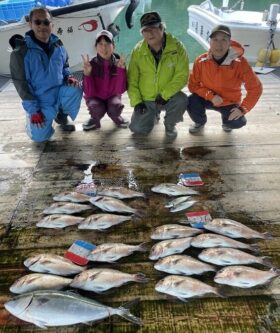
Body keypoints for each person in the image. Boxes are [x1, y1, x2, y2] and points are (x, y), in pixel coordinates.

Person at [10, 7, 82, 143]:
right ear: (30, 24)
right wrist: (34, 111)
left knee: (76, 87)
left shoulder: (58, 45)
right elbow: (22, 87)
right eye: (37, 22)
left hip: (59, 94)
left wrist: (68, 76)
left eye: (46, 22)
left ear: (52, 25)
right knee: (40, 138)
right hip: (40, 101)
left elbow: (65, 66)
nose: (42, 26)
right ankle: (31, 122)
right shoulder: (20, 53)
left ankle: (61, 115)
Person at [187, 24, 263, 134]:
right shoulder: (200, 61)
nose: (219, 44)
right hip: (207, 97)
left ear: (229, 43)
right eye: (215, 39)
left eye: (224, 39)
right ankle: (200, 122)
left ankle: (227, 123)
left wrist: (243, 109)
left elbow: (256, 88)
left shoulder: (241, 63)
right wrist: (210, 95)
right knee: (190, 101)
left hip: (229, 102)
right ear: (210, 42)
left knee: (238, 122)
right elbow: (193, 85)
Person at [127, 11, 189, 138]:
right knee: (137, 129)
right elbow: (132, 80)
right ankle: (153, 114)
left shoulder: (178, 48)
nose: (150, 33)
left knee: (182, 99)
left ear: (162, 28)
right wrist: (137, 101)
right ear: (142, 33)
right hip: (147, 99)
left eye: (154, 28)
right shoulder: (137, 51)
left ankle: (170, 124)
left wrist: (165, 94)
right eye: (146, 30)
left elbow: (182, 76)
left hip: (168, 96)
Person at [81, 30, 128, 131]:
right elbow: (89, 92)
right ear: (96, 47)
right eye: (100, 44)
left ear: (113, 46)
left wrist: (121, 70)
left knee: (116, 106)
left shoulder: (118, 63)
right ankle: (94, 119)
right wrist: (87, 74)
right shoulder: (90, 64)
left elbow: (121, 89)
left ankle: (116, 117)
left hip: (112, 96)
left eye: (107, 44)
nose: (104, 47)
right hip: (96, 97)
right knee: (95, 107)